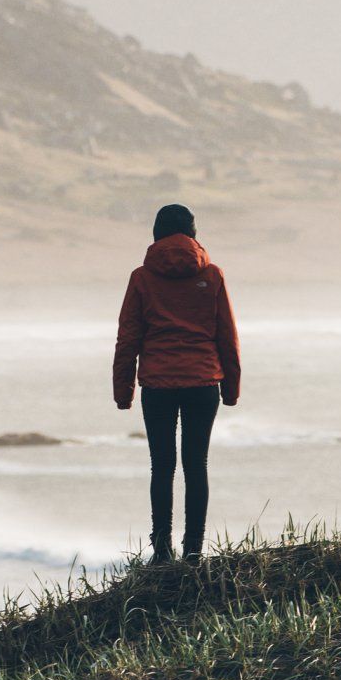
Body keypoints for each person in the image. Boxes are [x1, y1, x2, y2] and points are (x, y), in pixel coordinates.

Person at [112, 202, 241, 563]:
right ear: (193, 233)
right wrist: (231, 389)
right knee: (196, 465)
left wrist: (124, 391)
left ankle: (162, 551)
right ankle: (195, 551)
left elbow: (128, 338)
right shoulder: (212, 275)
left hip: (158, 384)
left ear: (156, 233)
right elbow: (227, 336)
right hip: (203, 383)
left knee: (162, 466)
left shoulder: (141, 278)